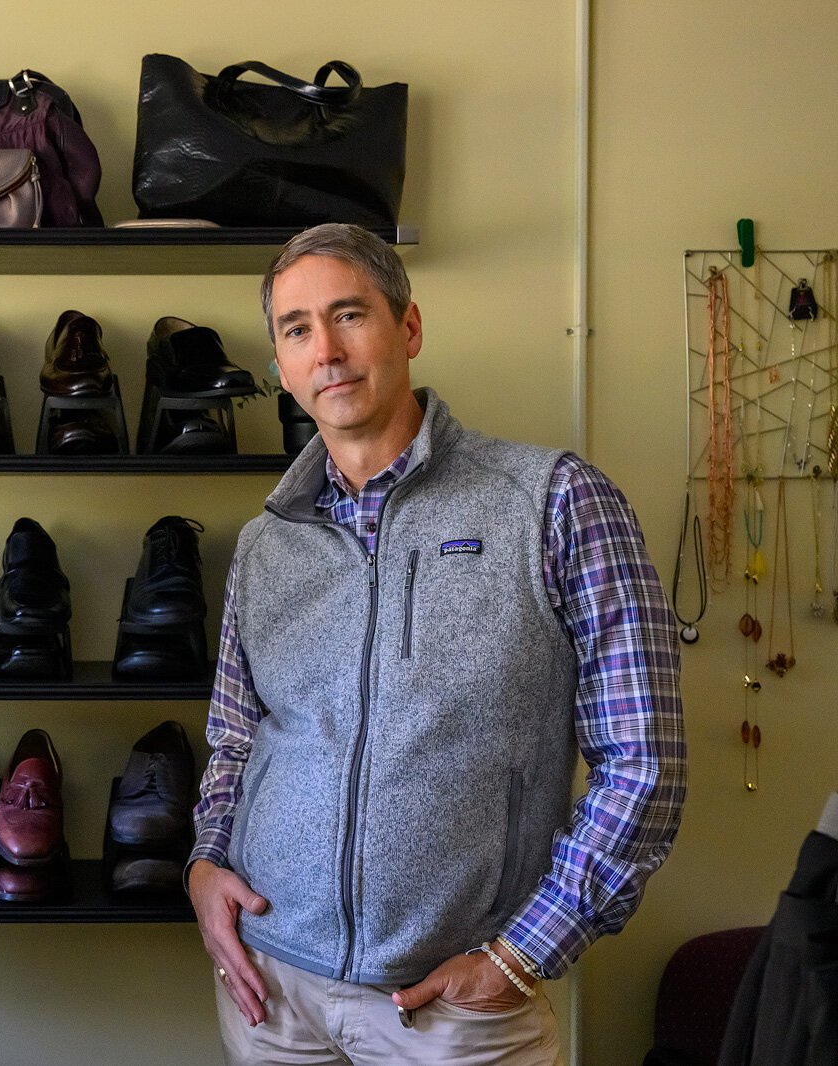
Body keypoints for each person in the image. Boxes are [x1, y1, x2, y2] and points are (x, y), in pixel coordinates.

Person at [188, 223, 686, 1064]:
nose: (328, 352)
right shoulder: (266, 544)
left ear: (407, 329)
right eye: (297, 329)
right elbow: (237, 737)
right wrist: (206, 867)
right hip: (271, 992)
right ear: (279, 364)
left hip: (458, 1011)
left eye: (350, 315)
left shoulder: (555, 502)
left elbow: (645, 758)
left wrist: (525, 952)